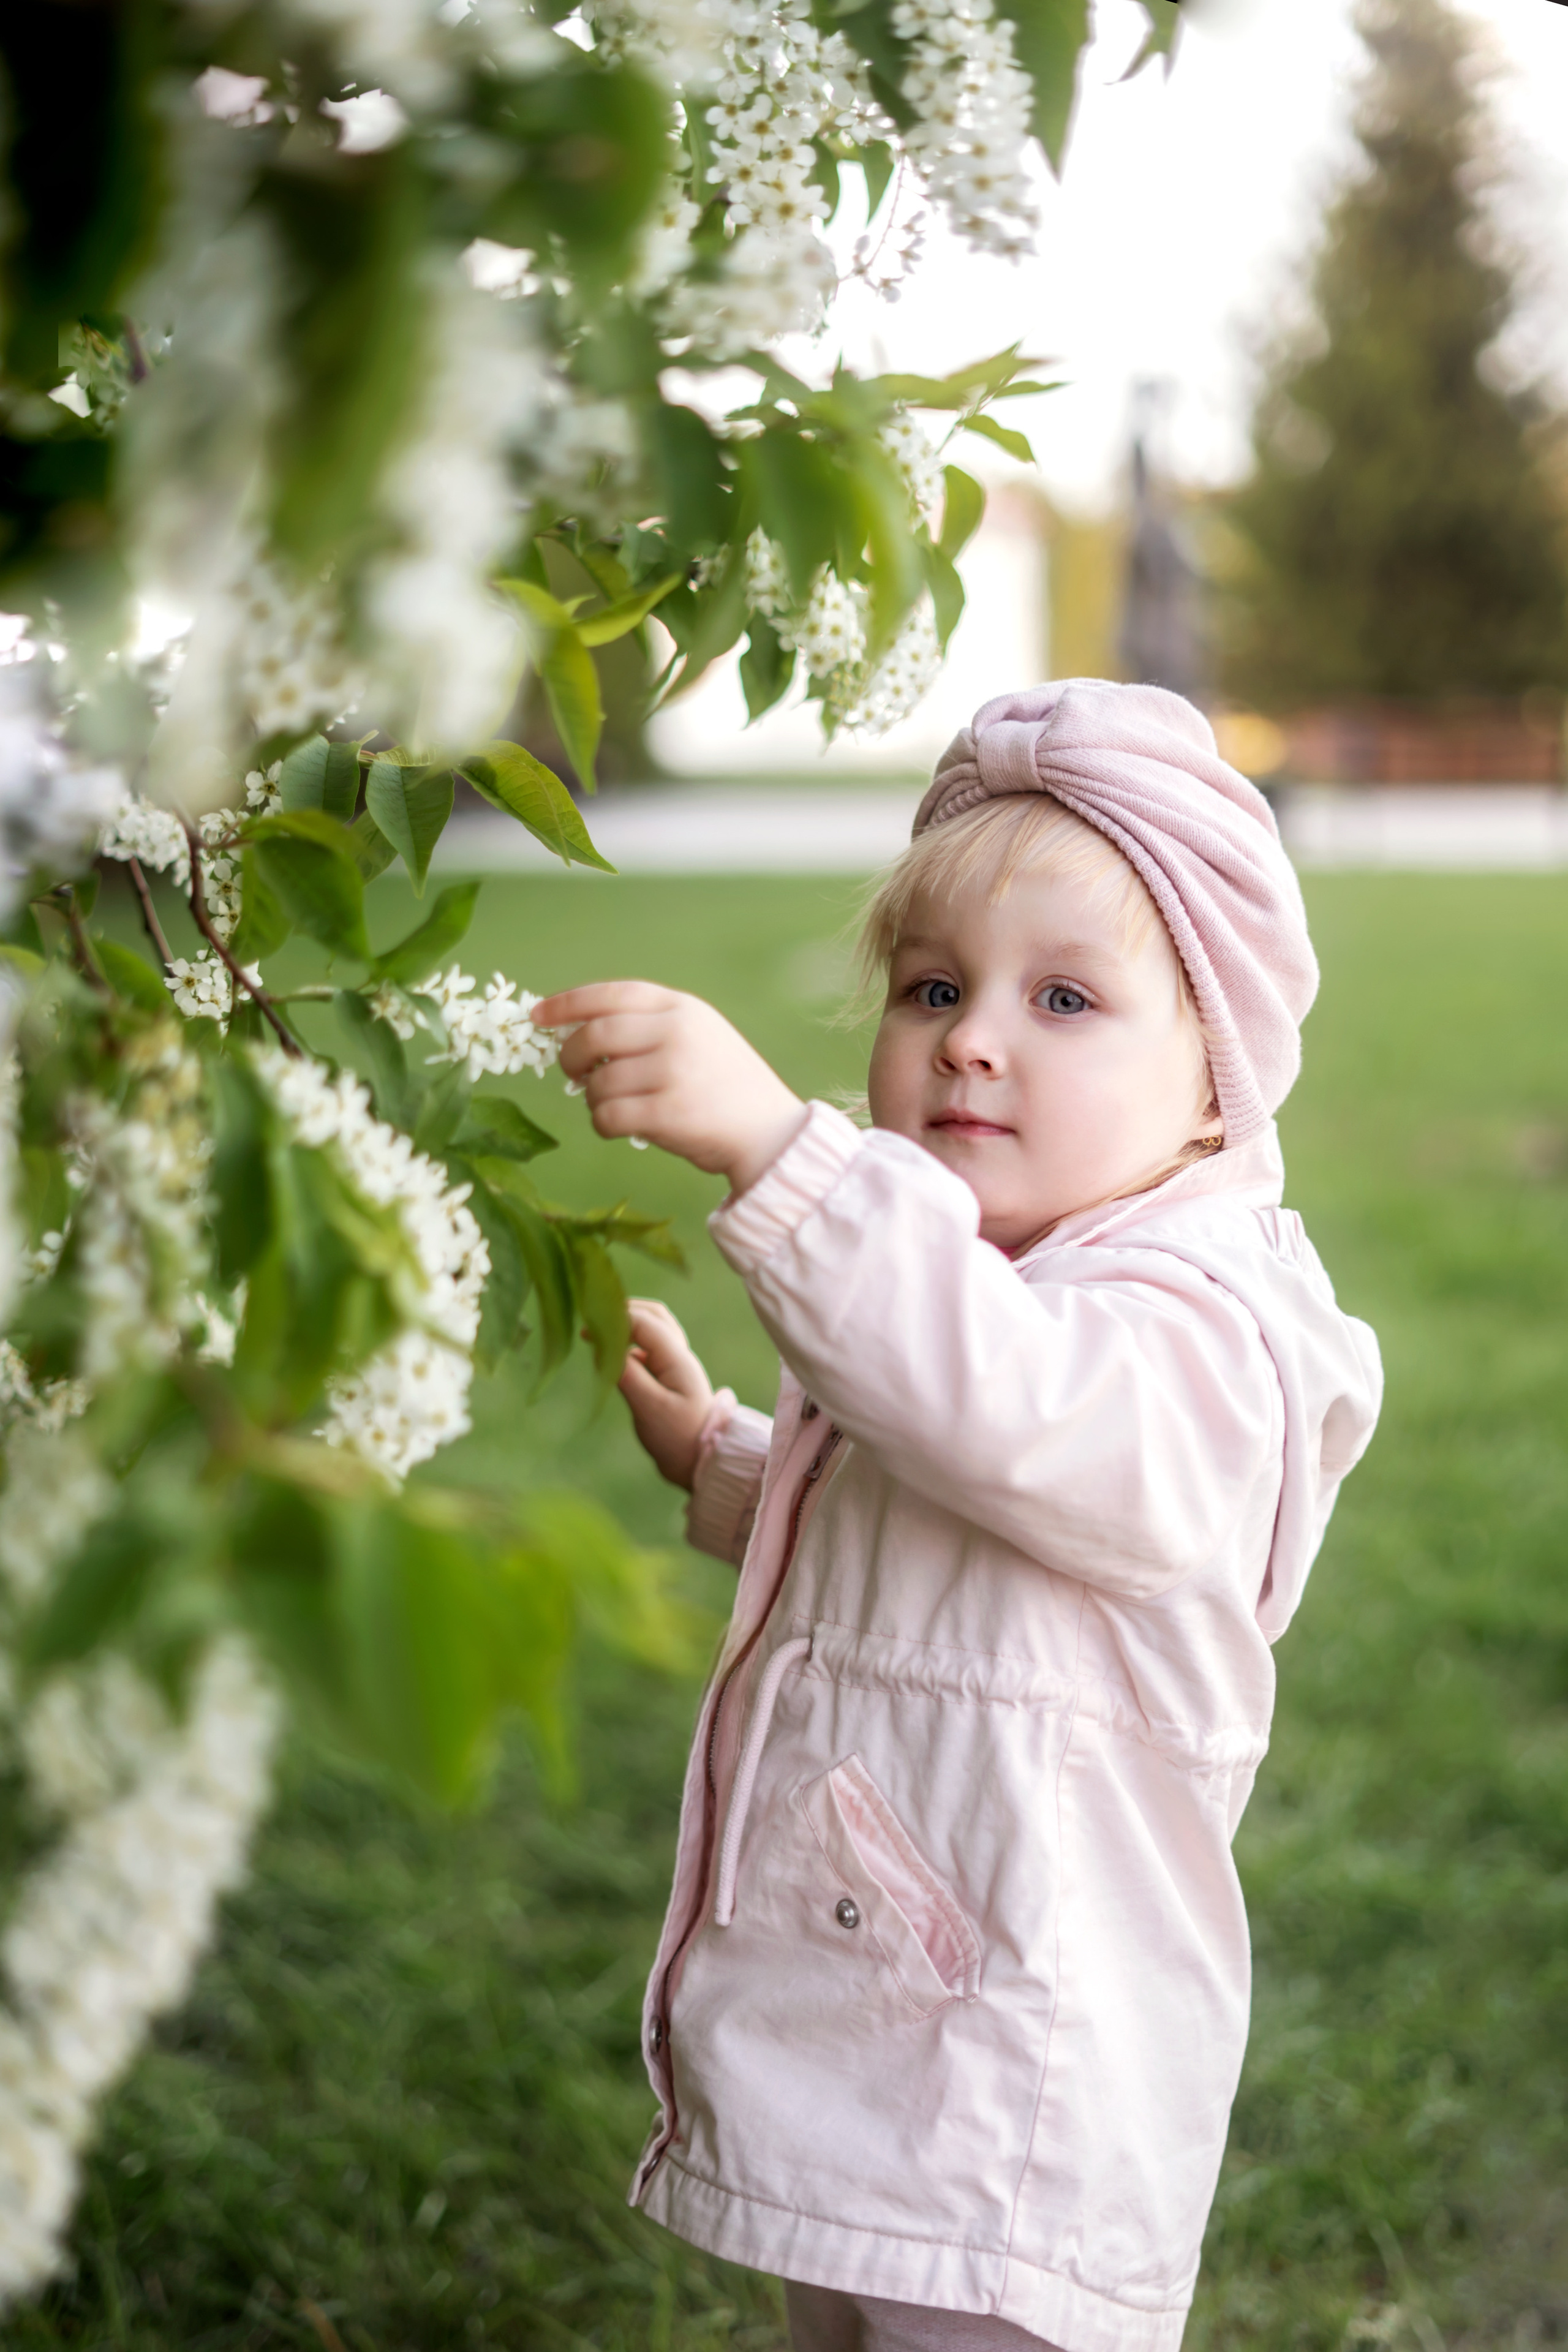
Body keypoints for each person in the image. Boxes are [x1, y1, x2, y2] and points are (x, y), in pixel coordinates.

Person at [533, 680, 1383, 2352]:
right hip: (891, 2021)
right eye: (932, 988)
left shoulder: (1206, 1330)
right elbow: (934, 1495)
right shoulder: (988, 1285)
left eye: (1066, 998)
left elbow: (1020, 1415)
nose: (971, 1037)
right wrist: (726, 1457)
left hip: (1024, 2083)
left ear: (1214, 1085)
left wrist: (781, 1150)